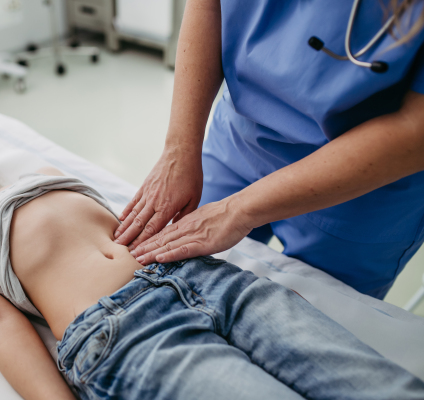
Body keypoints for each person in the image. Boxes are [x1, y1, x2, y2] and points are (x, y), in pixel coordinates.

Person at [0, 117, 424, 400]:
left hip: (212, 282)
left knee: (377, 385)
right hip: (125, 331)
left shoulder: (44, 176)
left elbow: (137, 228)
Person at [114, 0, 424, 299]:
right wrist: (179, 148)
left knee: (305, 326)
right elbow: (209, 5)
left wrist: (237, 210)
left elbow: (416, 128)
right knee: (174, 252)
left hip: (361, 186)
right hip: (243, 136)